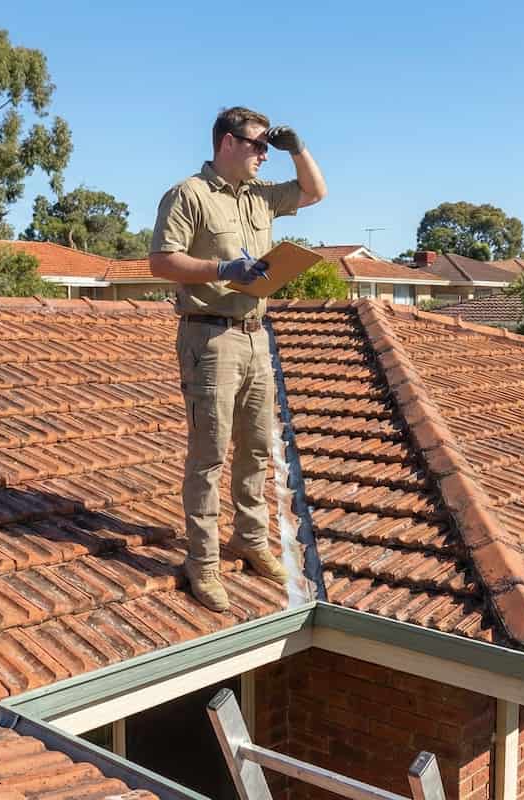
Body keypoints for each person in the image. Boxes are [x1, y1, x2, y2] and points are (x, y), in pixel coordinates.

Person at [149, 107, 327, 611]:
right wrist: (222, 268)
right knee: (209, 455)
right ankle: (201, 562)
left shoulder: (261, 197)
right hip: (209, 337)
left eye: (269, 147)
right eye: (256, 144)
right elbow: (161, 260)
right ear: (227, 142)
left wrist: (299, 148)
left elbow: (315, 193)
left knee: (254, 448)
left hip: (255, 335)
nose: (263, 154)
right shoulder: (189, 195)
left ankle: (249, 539)